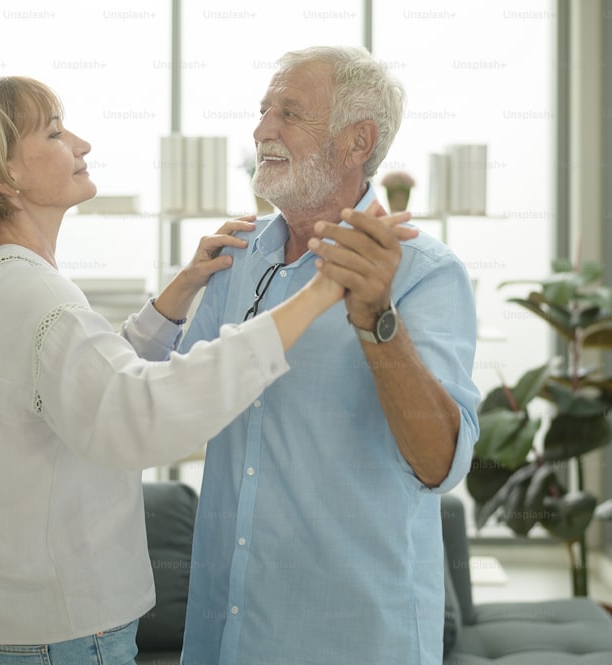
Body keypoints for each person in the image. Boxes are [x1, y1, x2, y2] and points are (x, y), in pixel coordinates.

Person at [0, 75, 415, 665]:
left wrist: (178, 293)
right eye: (53, 132)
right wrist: (319, 292)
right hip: (61, 637)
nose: (81, 144)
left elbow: (81, 390)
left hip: (3, 628)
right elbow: (140, 415)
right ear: (3, 176)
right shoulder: (36, 298)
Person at [179, 46, 481, 665]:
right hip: (224, 631)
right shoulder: (232, 260)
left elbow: (440, 464)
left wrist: (376, 319)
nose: (263, 129)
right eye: (263, 110)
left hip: (354, 638)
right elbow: (172, 405)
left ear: (356, 142)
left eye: (290, 113)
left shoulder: (425, 272)